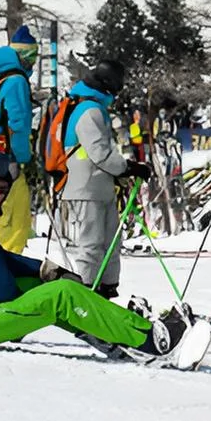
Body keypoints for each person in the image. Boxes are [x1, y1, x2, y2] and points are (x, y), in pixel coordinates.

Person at [0, 150, 184, 358]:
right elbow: (3, 288)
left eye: (3, 190)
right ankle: (151, 341)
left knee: (49, 287)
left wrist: (43, 271)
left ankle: (114, 331)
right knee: (61, 295)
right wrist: (48, 290)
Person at [56, 62, 149, 297]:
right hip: (85, 188)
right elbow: (100, 153)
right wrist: (128, 168)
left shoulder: (88, 106)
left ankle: (106, 290)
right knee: (92, 245)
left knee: (109, 242)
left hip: (98, 186)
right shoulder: (89, 111)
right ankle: (87, 295)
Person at [0, 25, 40, 253]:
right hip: (9, 160)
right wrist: (26, 159)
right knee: (14, 219)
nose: (33, 63)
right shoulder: (17, 82)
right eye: (32, 56)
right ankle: (8, 270)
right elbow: (19, 125)